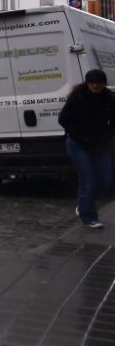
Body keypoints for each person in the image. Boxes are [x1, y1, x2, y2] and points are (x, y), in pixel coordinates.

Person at [58, 69, 115, 229]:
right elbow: (63, 119)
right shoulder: (77, 97)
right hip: (78, 144)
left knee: (105, 180)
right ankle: (89, 216)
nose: (95, 86)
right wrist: (80, 135)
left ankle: (84, 204)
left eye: (99, 83)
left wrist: (108, 135)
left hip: (100, 144)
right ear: (87, 83)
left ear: (104, 84)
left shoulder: (109, 98)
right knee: (87, 178)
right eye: (92, 83)